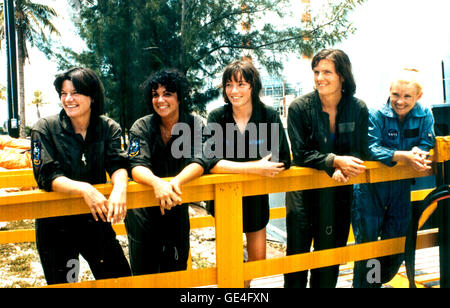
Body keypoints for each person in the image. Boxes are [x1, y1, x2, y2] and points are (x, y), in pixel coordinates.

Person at [31, 67, 131, 284]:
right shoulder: (43, 129)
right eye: (64, 93)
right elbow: (46, 174)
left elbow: (118, 163)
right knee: (65, 282)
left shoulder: (108, 127)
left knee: (119, 279)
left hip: (94, 220)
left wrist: (120, 187)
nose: (68, 99)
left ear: (92, 96)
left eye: (75, 92)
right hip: (56, 226)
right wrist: (84, 188)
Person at [284, 49, 369, 288]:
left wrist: (343, 164)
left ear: (342, 75)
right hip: (303, 192)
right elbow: (300, 153)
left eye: (327, 72)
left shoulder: (358, 108)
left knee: (330, 257)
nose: (320, 77)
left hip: (338, 191)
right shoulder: (299, 108)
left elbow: (360, 149)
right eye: (316, 72)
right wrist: (334, 161)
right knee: (297, 257)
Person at [203, 59, 291, 288]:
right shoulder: (217, 117)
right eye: (229, 85)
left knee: (258, 260)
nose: (234, 91)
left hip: (255, 197)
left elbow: (283, 158)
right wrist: (255, 167)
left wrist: (230, 164)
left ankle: (243, 282)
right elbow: (209, 160)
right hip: (224, 197)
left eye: (241, 84)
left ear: (253, 86)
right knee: (229, 259)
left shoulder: (268, 115)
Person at [352, 68, 435, 288]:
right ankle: (368, 286)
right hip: (371, 190)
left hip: (400, 189)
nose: (400, 101)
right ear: (389, 92)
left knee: (398, 244)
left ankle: (380, 279)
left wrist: (419, 151)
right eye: (395, 94)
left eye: (407, 96)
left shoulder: (425, 113)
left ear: (419, 96)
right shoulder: (375, 114)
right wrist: (404, 156)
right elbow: (369, 148)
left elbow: (428, 143)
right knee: (369, 248)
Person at [125, 69, 207, 275]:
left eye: (167, 93)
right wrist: (157, 183)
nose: (160, 100)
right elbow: (136, 165)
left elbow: (201, 160)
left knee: (176, 271)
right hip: (142, 212)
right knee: (145, 275)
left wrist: (175, 183)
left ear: (179, 96)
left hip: (176, 206)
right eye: (155, 94)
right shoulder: (140, 126)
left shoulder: (195, 124)